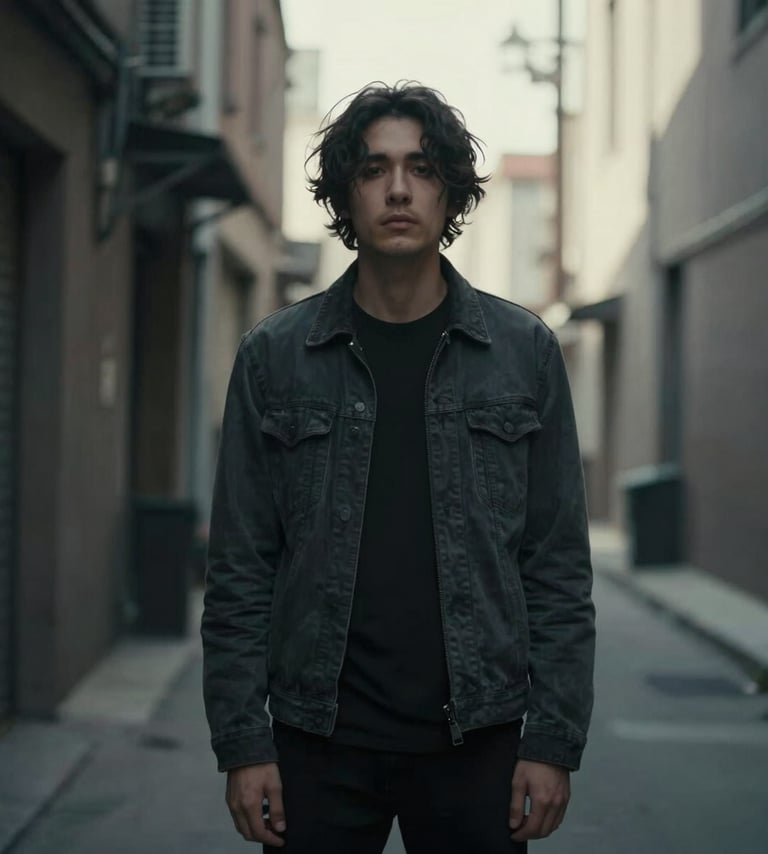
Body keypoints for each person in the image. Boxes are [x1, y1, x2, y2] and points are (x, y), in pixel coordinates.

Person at [201, 81, 595, 854]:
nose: (399, 188)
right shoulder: (277, 357)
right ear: (346, 194)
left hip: (477, 744)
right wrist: (245, 744)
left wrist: (551, 741)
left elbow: (556, 567)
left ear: (450, 192)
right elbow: (242, 567)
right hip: (318, 744)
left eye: (421, 167)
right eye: (375, 169)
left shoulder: (523, 354)